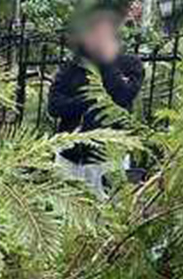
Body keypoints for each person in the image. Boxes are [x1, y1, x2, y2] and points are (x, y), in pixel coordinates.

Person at [48, 10, 144, 198]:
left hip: (108, 159)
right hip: (70, 156)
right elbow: (54, 106)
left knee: (108, 214)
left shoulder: (130, 65)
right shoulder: (72, 68)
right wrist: (89, 100)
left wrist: (105, 62)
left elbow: (122, 97)